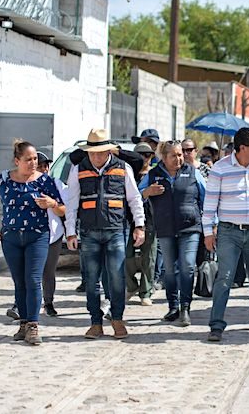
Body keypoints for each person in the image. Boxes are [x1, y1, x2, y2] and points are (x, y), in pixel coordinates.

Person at [65, 129, 146, 340]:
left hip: (116, 230)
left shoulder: (123, 168)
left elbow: (134, 199)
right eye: (92, 152)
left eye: (100, 152)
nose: (96, 157)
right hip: (89, 232)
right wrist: (70, 232)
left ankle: (117, 320)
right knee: (91, 280)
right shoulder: (78, 170)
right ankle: (95, 323)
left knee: (117, 278)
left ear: (109, 151)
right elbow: (71, 202)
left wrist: (140, 225)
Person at [0, 140, 65, 345]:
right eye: (28, 159)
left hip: (37, 236)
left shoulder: (45, 181)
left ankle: (33, 326)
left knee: (33, 279)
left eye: (35, 159)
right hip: (11, 238)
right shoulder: (4, 179)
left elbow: (63, 209)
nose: (33, 163)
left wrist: (52, 204)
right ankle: (23, 324)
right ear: (17, 160)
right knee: (19, 281)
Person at [201, 128, 249, 341]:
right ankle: (216, 325)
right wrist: (208, 232)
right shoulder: (220, 168)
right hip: (229, 232)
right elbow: (210, 204)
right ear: (242, 148)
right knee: (224, 278)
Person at [139, 140, 206, 326]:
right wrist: (147, 192)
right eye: (174, 155)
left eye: (180, 154)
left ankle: (185, 307)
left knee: (187, 266)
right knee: (169, 270)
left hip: (190, 227)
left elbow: (206, 198)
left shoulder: (193, 172)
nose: (179, 158)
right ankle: (173, 307)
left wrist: (211, 225)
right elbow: (136, 196)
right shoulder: (153, 174)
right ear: (164, 157)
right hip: (165, 228)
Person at [126, 142, 157, 306]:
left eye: (148, 155)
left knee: (149, 257)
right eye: (141, 155)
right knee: (126, 255)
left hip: (150, 219)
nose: (145, 158)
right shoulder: (127, 173)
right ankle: (131, 286)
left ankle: (146, 291)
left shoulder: (155, 174)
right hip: (128, 219)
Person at [36, 152, 66, 318]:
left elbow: (64, 210)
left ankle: (48, 302)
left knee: (49, 271)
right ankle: (22, 304)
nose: (44, 169)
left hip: (53, 234)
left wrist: (52, 204)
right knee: (30, 271)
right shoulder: (25, 184)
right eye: (41, 165)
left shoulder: (57, 184)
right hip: (32, 234)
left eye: (46, 165)